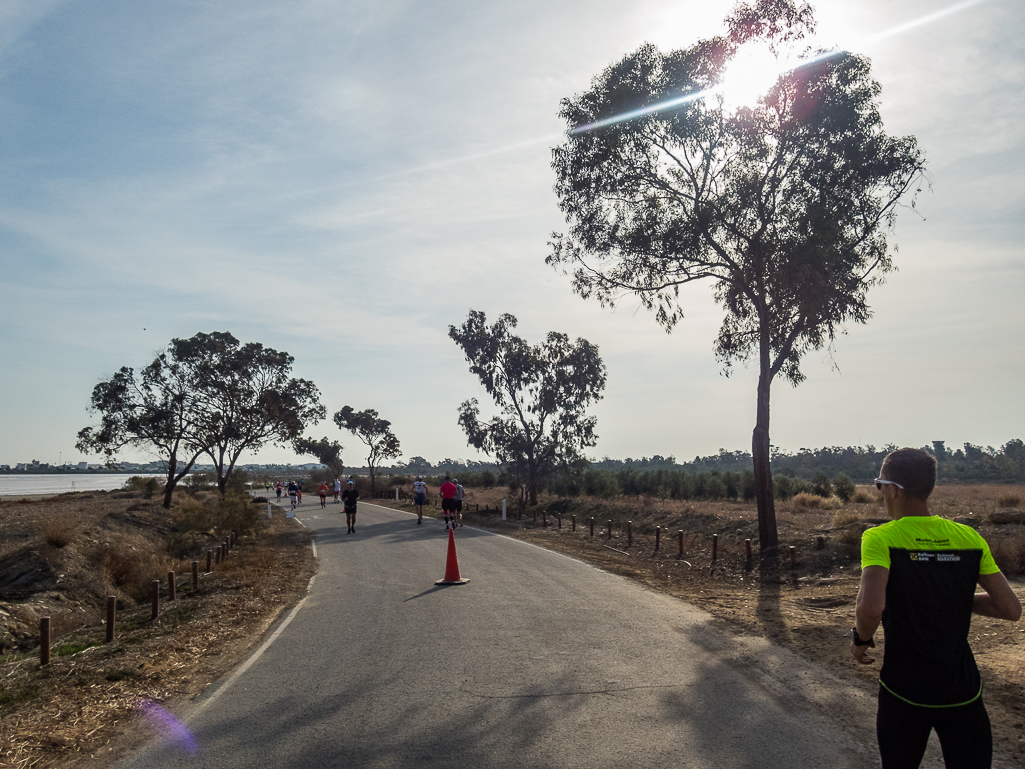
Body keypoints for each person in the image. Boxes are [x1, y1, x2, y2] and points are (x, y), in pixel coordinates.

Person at [851, 447, 1021, 769]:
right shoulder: (968, 537)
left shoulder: (879, 538)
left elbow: (871, 607)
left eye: (879, 485)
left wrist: (860, 641)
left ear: (892, 489)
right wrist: (950, 597)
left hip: (904, 688)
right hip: (962, 688)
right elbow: (1010, 608)